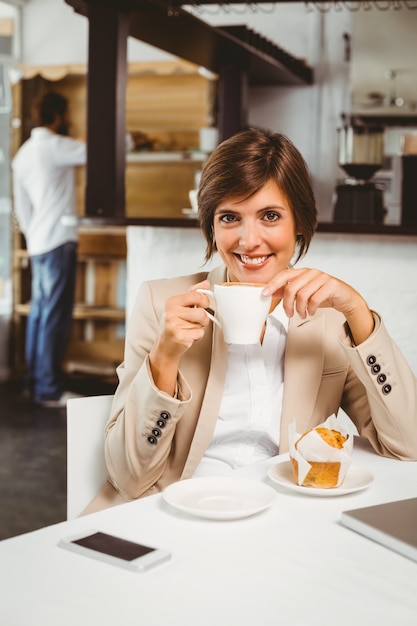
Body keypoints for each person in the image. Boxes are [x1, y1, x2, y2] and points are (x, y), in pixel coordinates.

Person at [86, 128, 417, 514]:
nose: (249, 240)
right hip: (173, 513)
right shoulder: (162, 305)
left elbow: (408, 445)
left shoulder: (328, 319)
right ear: (212, 225)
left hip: (283, 516)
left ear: (299, 224)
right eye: (230, 217)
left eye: (270, 216)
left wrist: (358, 312)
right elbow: (129, 477)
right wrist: (164, 359)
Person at [12, 91, 86, 407]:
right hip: (58, 240)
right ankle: (49, 389)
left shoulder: (23, 154)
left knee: (41, 315)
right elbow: (100, 150)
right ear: (57, 116)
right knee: (54, 316)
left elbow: (22, 208)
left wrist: (32, 235)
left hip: (39, 242)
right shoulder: (55, 146)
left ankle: (36, 381)